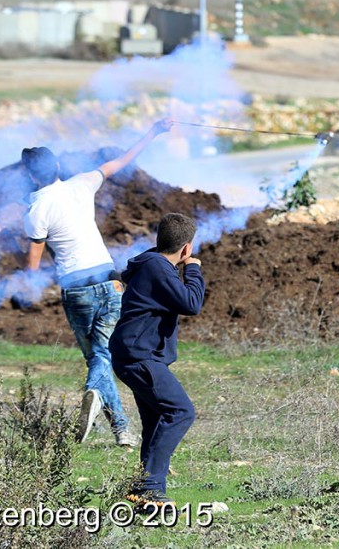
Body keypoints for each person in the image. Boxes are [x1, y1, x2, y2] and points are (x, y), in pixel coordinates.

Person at [21, 119, 172, 446]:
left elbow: (33, 259)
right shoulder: (81, 184)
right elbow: (119, 162)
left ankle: (99, 400)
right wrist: (153, 132)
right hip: (110, 282)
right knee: (105, 356)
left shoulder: (36, 208)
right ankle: (123, 431)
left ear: (31, 176)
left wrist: (27, 290)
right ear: (58, 166)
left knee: (98, 358)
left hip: (76, 291)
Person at [109, 213, 205, 510]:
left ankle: (144, 491)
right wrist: (193, 270)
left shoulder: (150, 263)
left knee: (155, 420)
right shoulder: (157, 268)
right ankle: (150, 486)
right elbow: (191, 303)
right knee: (180, 411)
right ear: (187, 248)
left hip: (135, 354)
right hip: (139, 357)